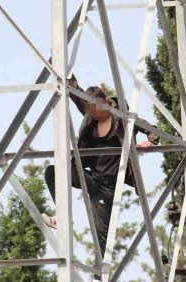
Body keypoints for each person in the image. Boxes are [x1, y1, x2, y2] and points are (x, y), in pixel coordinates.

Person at [44, 76, 158, 263]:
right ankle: (63, 217)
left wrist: (151, 141)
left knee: (101, 236)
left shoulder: (122, 118)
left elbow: (150, 128)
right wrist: (67, 75)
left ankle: (99, 281)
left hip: (110, 187)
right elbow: (75, 94)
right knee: (52, 172)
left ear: (106, 103)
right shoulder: (91, 114)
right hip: (91, 177)